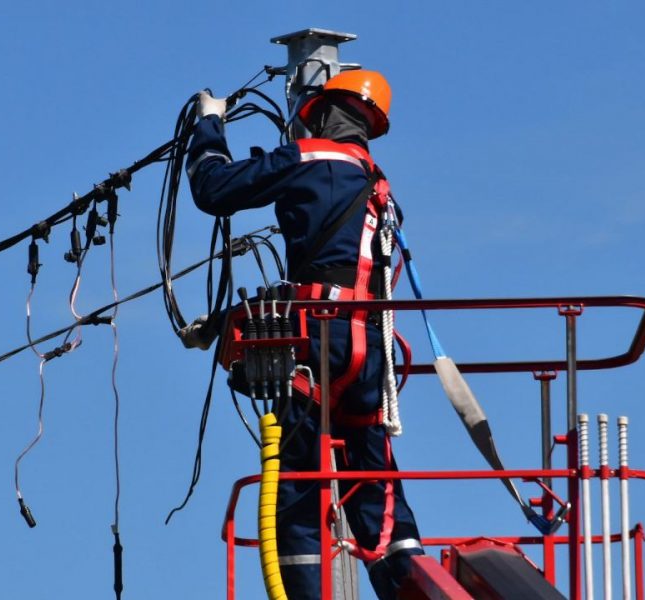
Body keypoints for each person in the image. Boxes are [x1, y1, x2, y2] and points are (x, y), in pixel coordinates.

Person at [186, 70, 423, 600]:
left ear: (316, 114)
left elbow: (213, 189)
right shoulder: (379, 187)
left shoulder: (309, 160)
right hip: (369, 352)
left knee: (299, 488)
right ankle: (410, 580)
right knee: (376, 481)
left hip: (316, 343)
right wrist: (226, 322)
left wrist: (208, 125)